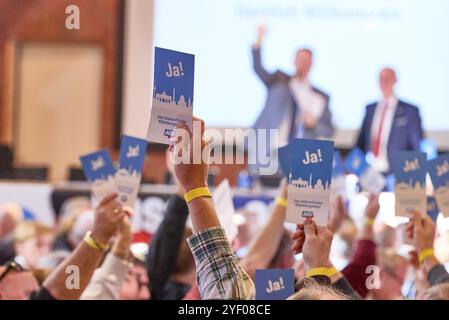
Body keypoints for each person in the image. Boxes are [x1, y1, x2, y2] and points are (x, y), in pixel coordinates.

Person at [252, 25, 334, 150]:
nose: (303, 64)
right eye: (301, 59)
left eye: (307, 61)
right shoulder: (279, 80)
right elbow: (258, 68)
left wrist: (313, 124)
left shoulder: (319, 97)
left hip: (297, 152)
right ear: (294, 61)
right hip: (266, 148)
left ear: (312, 64)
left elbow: (329, 130)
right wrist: (259, 38)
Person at [356, 67, 423, 174]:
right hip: (370, 171)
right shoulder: (370, 109)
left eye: (387, 78)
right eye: (381, 79)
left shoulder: (410, 111)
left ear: (395, 81)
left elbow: (416, 145)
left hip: (396, 172)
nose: (384, 82)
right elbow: (361, 141)